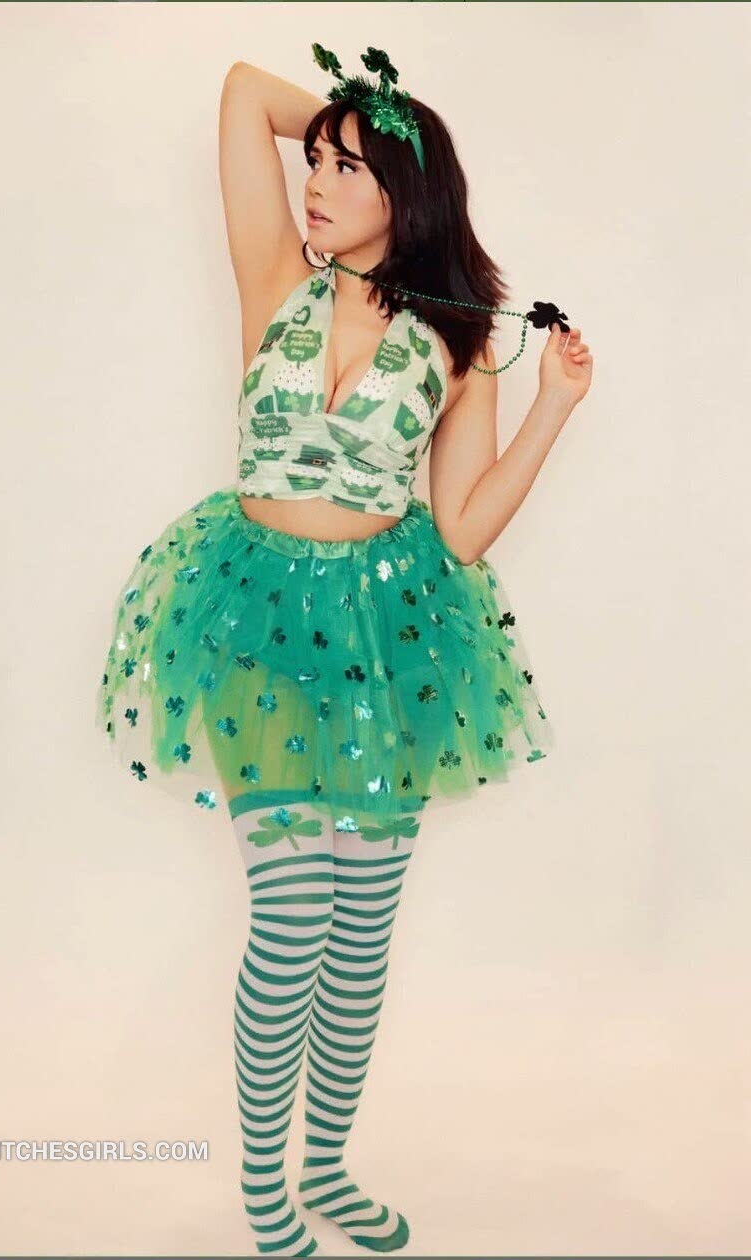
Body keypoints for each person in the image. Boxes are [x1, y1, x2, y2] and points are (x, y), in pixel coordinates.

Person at [96, 46, 593, 1257]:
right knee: (290, 923)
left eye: (343, 168)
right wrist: (360, 109)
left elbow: (462, 531)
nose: (312, 182)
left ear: (404, 194)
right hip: (256, 621)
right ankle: (266, 1189)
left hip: (387, 638)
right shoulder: (275, 277)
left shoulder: (458, 338)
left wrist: (553, 407)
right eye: (312, 161)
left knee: (360, 935)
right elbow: (240, 91)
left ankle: (324, 1166)